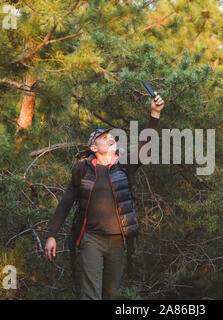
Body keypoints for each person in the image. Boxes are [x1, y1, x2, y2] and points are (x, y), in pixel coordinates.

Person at [44, 91, 164, 300]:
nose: (109, 139)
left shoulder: (125, 164)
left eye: (110, 137)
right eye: (103, 138)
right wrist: (51, 235)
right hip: (91, 239)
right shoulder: (83, 169)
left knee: (110, 295)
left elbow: (147, 144)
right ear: (93, 147)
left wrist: (154, 114)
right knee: (90, 295)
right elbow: (65, 203)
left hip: (118, 241)